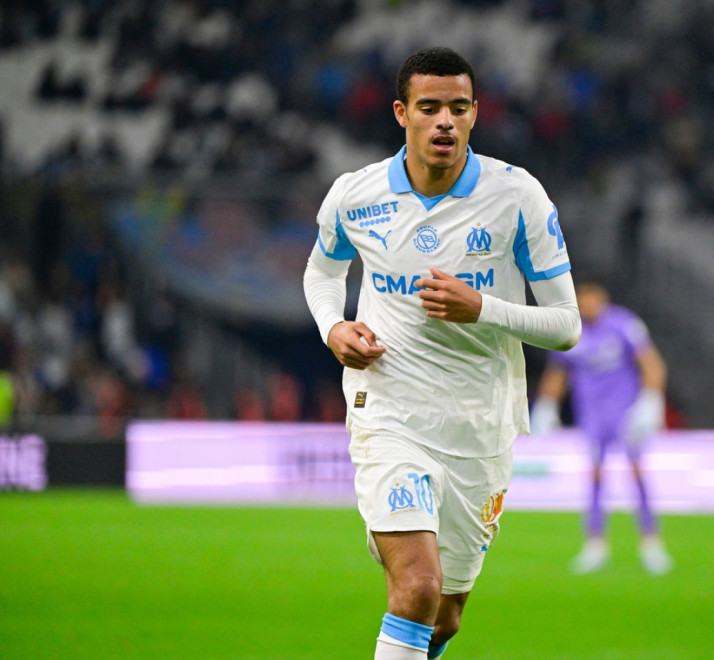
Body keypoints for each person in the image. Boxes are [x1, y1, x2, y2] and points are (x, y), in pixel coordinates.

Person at [302, 47, 580, 659]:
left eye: (458, 107)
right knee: (418, 587)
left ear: (476, 113)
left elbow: (566, 327)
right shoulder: (356, 194)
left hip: (479, 425)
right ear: (402, 113)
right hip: (390, 411)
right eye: (429, 107)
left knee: (445, 617)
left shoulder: (517, 198)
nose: (445, 121)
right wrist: (333, 326)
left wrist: (481, 307)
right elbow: (322, 272)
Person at [531, 281, 672, 575]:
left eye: (591, 300)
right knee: (595, 476)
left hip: (627, 412)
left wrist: (651, 399)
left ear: (602, 299)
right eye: (581, 301)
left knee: (637, 472)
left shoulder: (624, 324)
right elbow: (558, 372)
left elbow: (650, 363)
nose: (587, 306)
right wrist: (546, 404)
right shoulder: (571, 330)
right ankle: (595, 544)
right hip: (592, 415)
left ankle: (651, 542)